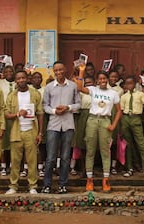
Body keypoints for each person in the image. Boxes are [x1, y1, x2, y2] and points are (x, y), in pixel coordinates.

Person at [74, 66, 122, 192]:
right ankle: (89, 180)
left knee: (105, 151)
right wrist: (81, 71)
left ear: (107, 79)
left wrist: (114, 125)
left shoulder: (113, 93)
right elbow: (79, 87)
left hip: (105, 120)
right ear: (97, 80)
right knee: (90, 151)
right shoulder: (93, 90)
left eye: (104, 78)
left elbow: (118, 111)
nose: (103, 80)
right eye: (100, 79)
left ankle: (105, 179)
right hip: (92, 120)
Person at [42, 61, 81, 194]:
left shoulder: (73, 86)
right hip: (53, 125)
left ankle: (63, 184)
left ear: (65, 70)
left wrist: (68, 107)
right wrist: (54, 111)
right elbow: (45, 106)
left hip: (68, 125)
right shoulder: (49, 87)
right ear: (54, 72)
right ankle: (47, 185)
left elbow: (78, 104)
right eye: (56, 70)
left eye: (60, 70)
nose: (58, 72)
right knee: (51, 157)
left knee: (65, 157)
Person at [4, 70, 44, 194]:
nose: (21, 80)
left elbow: (40, 113)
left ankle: (32, 185)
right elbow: (6, 114)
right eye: (18, 78)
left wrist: (40, 132)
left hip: (31, 131)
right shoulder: (12, 95)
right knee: (15, 160)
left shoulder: (35, 93)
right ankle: (13, 185)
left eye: (23, 78)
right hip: (17, 131)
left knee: (32, 160)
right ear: (15, 81)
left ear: (27, 79)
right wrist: (17, 114)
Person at [120, 76, 144, 179]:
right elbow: (122, 111)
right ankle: (130, 168)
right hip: (126, 118)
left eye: (131, 83)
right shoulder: (124, 96)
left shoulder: (140, 94)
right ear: (125, 85)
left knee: (141, 144)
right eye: (127, 84)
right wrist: (121, 126)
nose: (129, 85)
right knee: (128, 145)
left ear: (135, 84)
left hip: (136, 118)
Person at [70, 76, 94, 176]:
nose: (88, 84)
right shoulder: (81, 94)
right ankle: (83, 168)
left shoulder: (97, 93)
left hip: (93, 115)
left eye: (90, 82)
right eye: (86, 83)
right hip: (82, 117)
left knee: (92, 143)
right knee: (81, 143)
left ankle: (91, 169)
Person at [0, 65, 16, 176]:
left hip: (15, 114)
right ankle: (3, 165)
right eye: (6, 71)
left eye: (11, 71)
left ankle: (12, 165)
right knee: (2, 141)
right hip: (3, 113)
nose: (9, 73)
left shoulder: (18, 83)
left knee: (14, 140)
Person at [107, 70, 124, 174]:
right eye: (111, 77)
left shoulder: (120, 90)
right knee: (105, 142)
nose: (113, 79)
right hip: (106, 115)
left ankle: (113, 165)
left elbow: (119, 108)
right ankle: (106, 164)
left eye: (115, 77)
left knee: (114, 143)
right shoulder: (103, 88)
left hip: (115, 115)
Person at [30, 72, 46, 177]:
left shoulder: (44, 89)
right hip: (29, 118)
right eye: (34, 77)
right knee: (29, 145)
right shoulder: (29, 90)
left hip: (41, 116)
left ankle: (40, 167)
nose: (37, 79)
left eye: (39, 77)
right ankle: (27, 168)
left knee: (41, 144)